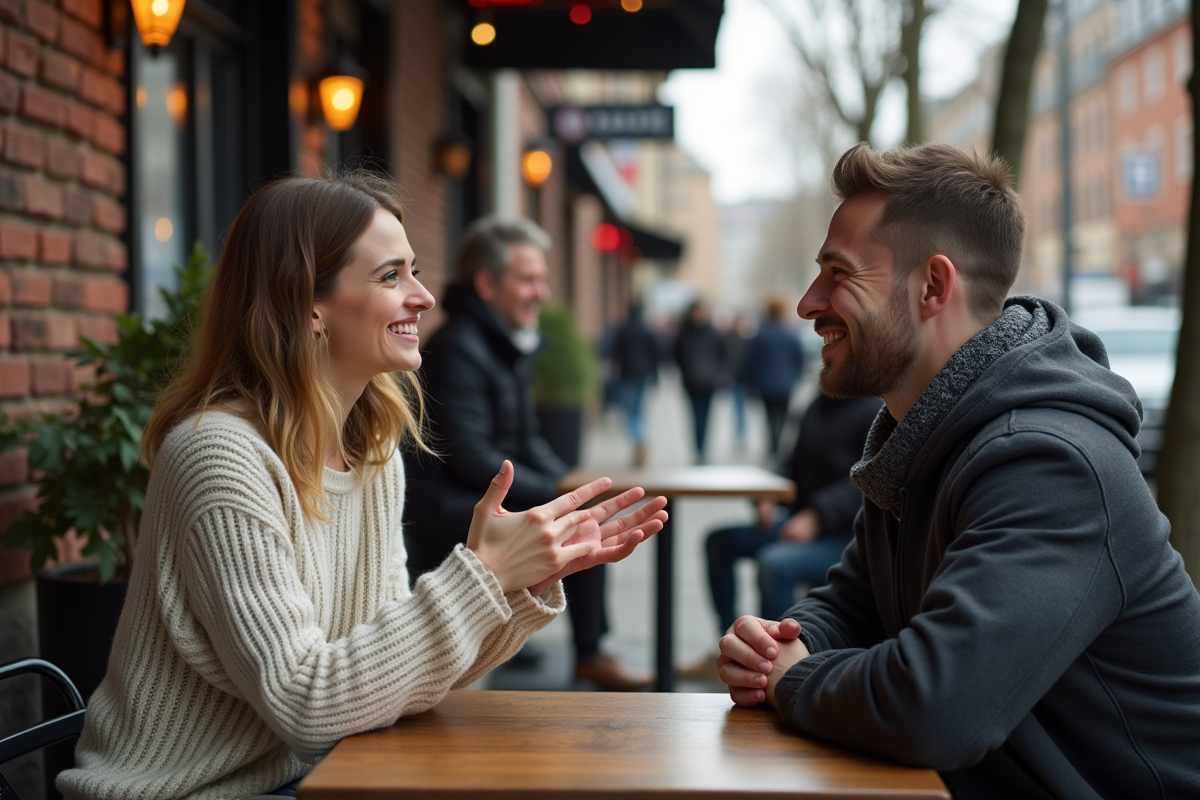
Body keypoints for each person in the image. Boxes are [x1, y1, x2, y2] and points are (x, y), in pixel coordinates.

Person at [57, 172, 666, 800]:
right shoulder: (219, 456)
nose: (424, 297)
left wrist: (518, 582)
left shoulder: (372, 452)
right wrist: (479, 577)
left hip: (307, 776)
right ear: (308, 305)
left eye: (415, 271)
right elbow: (308, 706)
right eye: (390, 276)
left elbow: (385, 679)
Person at [717, 143, 1200, 798]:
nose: (809, 303)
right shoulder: (921, 443)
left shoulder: (1053, 465)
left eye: (840, 273)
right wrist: (779, 644)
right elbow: (857, 606)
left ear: (933, 287)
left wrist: (794, 679)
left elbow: (934, 707)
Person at [404, 217, 654, 692]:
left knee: (578, 516)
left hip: (476, 494)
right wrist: (556, 499)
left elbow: (526, 438)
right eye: (528, 279)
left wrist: (566, 486)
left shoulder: (499, 342)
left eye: (542, 278)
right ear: (486, 283)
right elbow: (470, 458)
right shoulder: (460, 347)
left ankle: (586, 652)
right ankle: (588, 653)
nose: (541, 292)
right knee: (574, 524)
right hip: (446, 507)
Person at [685, 392, 879, 678]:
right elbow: (792, 462)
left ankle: (777, 665)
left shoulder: (876, 410)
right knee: (719, 542)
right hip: (800, 523)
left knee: (775, 564)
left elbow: (868, 479)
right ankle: (730, 645)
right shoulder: (819, 404)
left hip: (846, 537)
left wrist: (818, 516)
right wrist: (768, 494)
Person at [740, 294, 806, 455]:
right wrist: (795, 376)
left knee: (768, 416)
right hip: (785, 383)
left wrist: (750, 383)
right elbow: (799, 358)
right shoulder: (790, 334)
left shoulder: (760, 335)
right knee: (782, 415)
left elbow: (751, 361)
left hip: (765, 384)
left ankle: (772, 444)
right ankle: (777, 444)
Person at [673, 299, 727, 464]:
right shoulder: (684, 333)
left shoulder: (713, 333)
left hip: (709, 383)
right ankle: (698, 449)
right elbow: (676, 355)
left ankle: (703, 449)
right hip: (691, 382)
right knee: (695, 417)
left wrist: (718, 373)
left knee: (707, 417)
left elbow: (723, 354)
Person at [610, 302, 659, 466]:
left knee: (628, 413)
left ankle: (640, 440)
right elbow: (655, 354)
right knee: (637, 411)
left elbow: (614, 352)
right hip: (642, 376)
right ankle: (640, 444)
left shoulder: (624, 330)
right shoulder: (647, 330)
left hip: (627, 376)